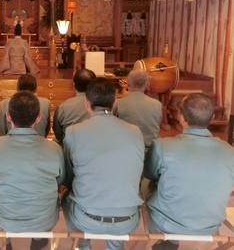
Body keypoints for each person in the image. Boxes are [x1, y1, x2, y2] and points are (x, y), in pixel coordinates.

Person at [62, 78, 144, 250]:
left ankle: (83, 245)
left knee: (65, 197)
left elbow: (68, 176)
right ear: (115, 102)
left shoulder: (73, 132)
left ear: (86, 103)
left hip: (87, 218)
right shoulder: (135, 131)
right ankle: (114, 246)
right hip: (127, 219)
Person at [144, 93, 234, 250]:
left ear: (181, 116)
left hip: (167, 222)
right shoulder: (230, 152)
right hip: (210, 224)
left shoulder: (162, 145)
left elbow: (150, 174)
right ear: (212, 117)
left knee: (147, 182)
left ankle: (160, 242)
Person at [0, 91, 65, 250]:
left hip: (5, 218)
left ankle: (4, 237)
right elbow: (61, 179)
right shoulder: (54, 148)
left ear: (8, 116)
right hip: (44, 219)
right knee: (51, 188)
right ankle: (39, 235)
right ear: (39, 117)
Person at [114, 69, 162, 148]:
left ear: (128, 82)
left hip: (127, 149)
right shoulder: (157, 104)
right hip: (151, 150)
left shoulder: (118, 103)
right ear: (147, 85)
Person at [52, 68, 96, 145]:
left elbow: (59, 136)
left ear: (74, 85)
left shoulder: (63, 107)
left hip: (70, 150)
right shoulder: (104, 105)